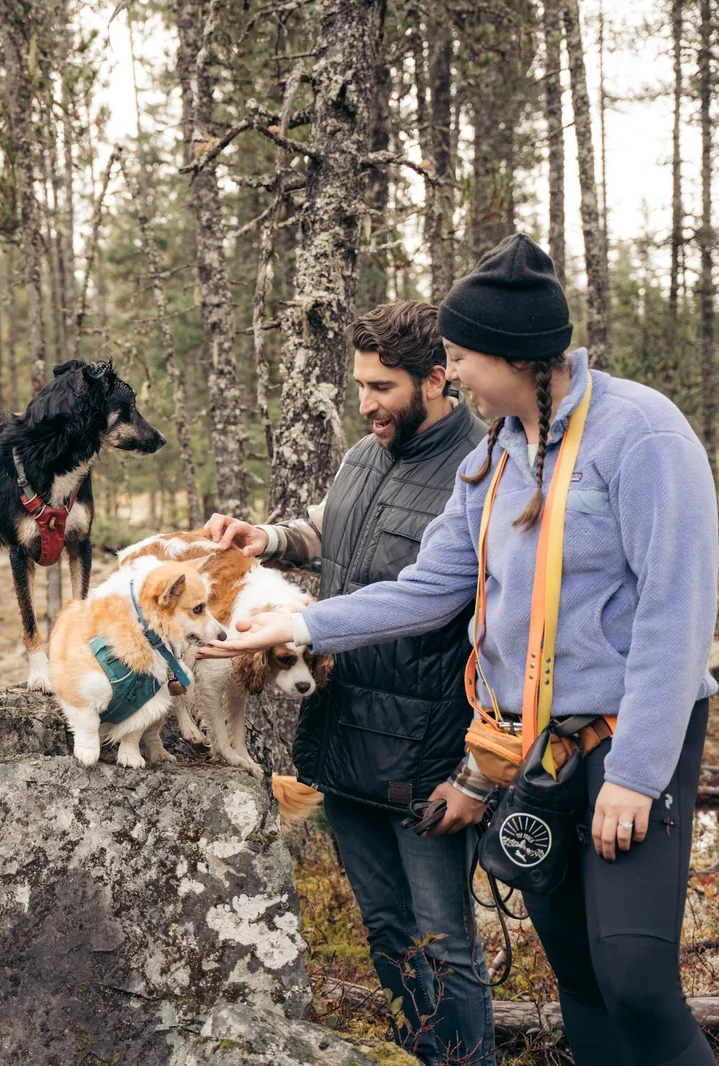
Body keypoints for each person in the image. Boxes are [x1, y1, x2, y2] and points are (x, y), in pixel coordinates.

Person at [204, 234, 719, 1066]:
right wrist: (299, 628)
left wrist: (633, 776)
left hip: (630, 740)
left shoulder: (643, 436)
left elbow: (677, 610)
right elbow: (426, 588)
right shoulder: (496, 455)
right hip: (533, 748)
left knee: (634, 976)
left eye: (462, 357)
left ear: (515, 356)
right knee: (579, 973)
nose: (457, 375)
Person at [206, 299, 494, 1066]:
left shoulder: (482, 469)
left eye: (382, 387)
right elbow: (330, 528)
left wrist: (479, 767)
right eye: (360, 384)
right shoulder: (366, 452)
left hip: (427, 756)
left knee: (446, 949)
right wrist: (262, 537)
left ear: (438, 380)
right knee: (387, 934)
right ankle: (413, 1053)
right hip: (343, 739)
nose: (365, 403)